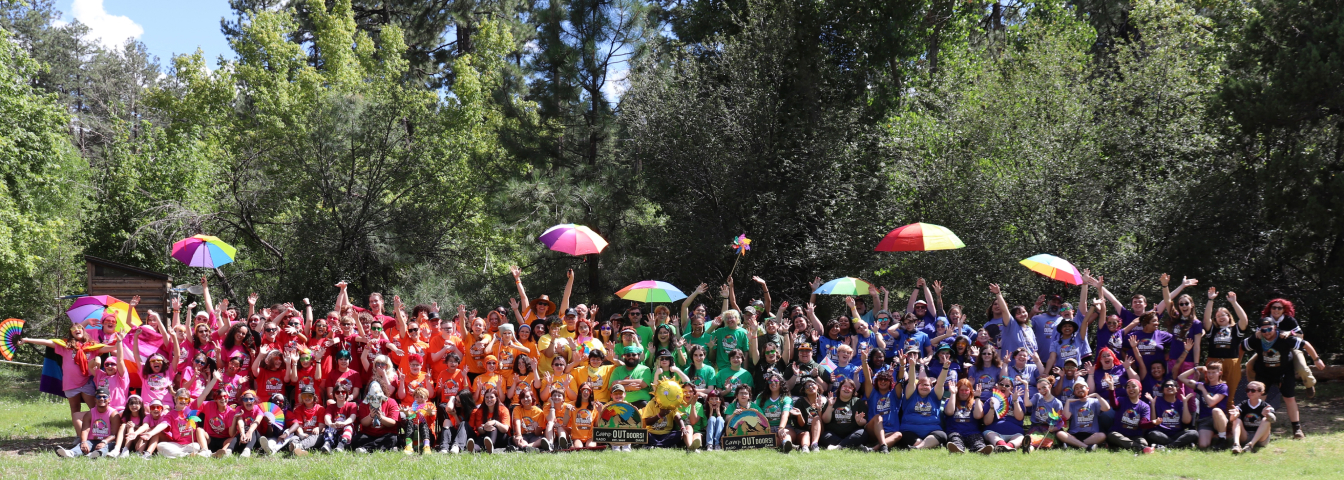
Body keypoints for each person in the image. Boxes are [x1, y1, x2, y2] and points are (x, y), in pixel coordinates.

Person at [20, 323, 116, 433]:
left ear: (84, 331)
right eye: (73, 329)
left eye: (79, 328)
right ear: (71, 333)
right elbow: (48, 342)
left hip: (87, 383)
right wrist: (27, 339)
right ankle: (80, 435)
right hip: (70, 383)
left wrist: (121, 340)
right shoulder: (66, 346)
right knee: (75, 410)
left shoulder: (92, 346)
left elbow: (112, 348)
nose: (76, 330)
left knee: (95, 409)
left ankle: (100, 431)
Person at [1242, 318, 1323, 439]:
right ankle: (1256, 429)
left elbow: (1305, 344)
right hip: (1264, 373)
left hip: (1284, 371)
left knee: (1289, 398)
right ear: (1259, 330)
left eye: (1270, 329)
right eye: (1264, 330)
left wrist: (1317, 359)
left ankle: (1297, 429)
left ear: (1275, 328)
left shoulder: (1284, 337)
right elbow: (1241, 346)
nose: (1267, 332)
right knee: (1258, 398)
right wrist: (1237, 361)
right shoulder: (1256, 338)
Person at [1205, 289, 1249, 398]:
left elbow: (1244, 320)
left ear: (1229, 316)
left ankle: (1228, 414)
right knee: (1211, 391)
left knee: (1230, 394)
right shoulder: (1213, 329)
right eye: (1218, 316)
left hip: (1232, 363)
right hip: (1213, 362)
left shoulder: (1235, 329)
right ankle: (1210, 414)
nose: (1220, 317)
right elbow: (1206, 320)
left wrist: (1234, 302)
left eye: (1223, 315)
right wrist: (1210, 300)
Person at [55, 387, 118, 458]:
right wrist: (84, 442)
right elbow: (85, 430)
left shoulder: (113, 414)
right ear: (95, 399)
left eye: (104, 396)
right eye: (98, 397)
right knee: (82, 445)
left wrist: (104, 442)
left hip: (107, 441)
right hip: (92, 440)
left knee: (107, 447)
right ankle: (70, 453)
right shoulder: (90, 413)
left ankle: (97, 454)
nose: (101, 399)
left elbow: (114, 435)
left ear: (109, 399)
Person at [1178, 363, 1230, 449]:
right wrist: (1196, 368)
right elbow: (1181, 377)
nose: (1210, 375)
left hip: (1218, 419)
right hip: (1204, 420)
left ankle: (1222, 439)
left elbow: (1211, 403)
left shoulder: (1223, 387)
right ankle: (1214, 437)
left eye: (1213, 372)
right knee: (1203, 445)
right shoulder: (1202, 385)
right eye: (1208, 372)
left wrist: (1203, 390)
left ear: (1220, 373)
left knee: (1215, 410)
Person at [862, 355, 901, 453]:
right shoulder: (872, 393)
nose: (882, 382)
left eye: (885, 380)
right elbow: (867, 377)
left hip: (890, 431)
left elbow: (900, 381)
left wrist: (903, 365)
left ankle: (874, 449)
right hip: (873, 430)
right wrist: (864, 360)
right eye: (880, 379)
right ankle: (883, 446)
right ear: (876, 381)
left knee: (899, 435)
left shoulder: (894, 394)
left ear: (890, 382)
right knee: (878, 417)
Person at [1057, 381, 1110, 451]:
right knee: (1060, 433)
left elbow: (1107, 408)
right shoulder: (1072, 403)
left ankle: (1073, 445)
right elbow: (1066, 417)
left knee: (1102, 436)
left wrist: (1097, 395)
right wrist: (1068, 401)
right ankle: (1087, 447)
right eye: (1077, 388)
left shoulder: (1094, 401)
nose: (1079, 389)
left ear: (1088, 389)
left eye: (1082, 387)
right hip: (1074, 434)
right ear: (1075, 392)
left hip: (1091, 435)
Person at [1146, 379, 1199, 449]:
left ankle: (1167, 447)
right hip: (1162, 433)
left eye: (1172, 385)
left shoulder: (1180, 403)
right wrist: (1152, 404)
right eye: (1166, 386)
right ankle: (1180, 445)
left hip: (1177, 433)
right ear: (1163, 390)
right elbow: (1153, 421)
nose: (1169, 387)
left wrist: (1185, 403)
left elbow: (1186, 421)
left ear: (1176, 389)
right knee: (1152, 434)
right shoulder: (1157, 401)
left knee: (1194, 433)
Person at [350, 382, 401, 452]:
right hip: (368, 434)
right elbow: (363, 423)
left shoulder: (391, 402)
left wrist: (381, 417)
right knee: (356, 440)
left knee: (393, 439)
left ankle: (366, 449)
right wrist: (371, 416)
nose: (375, 399)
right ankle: (385, 448)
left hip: (386, 434)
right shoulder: (364, 404)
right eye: (373, 397)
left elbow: (393, 422)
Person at [820, 378, 869, 451]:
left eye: (850, 388)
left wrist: (859, 421)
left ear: (853, 391)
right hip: (834, 434)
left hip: (852, 433)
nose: (847, 389)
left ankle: (838, 447)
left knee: (862, 433)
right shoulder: (832, 401)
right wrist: (830, 406)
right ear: (839, 388)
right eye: (845, 386)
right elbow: (825, 420)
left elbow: (864, 422)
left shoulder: (858, 402)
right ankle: (851, 444)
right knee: (825, 436)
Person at [1106, 379, 1154, 454]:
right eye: (1128, 387)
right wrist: (1111, 388)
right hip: (1119, 434)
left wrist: (1153, 423)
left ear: (1140, 389)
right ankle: (1141, 448)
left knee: (1143, 442)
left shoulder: (1145, 406)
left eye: (1134, 386)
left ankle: (1121, 446)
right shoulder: (1121, 400)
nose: (1131, 389)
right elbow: (1114, 404)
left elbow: (1142, 424)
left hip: (1135, 436)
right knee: (1112, 435)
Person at [944, 378, 989, 454]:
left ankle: (981, 449)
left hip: (972, 432)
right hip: (954, 431)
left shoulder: (976, 402)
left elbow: (978, 416)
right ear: (957, 390)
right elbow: (949, 412)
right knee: (955, 440)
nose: (964, 392)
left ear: (970, 391)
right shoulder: (950, 400)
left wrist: (977, 397)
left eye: (966, 390)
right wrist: (953, 394)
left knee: (977, 441)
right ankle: (957, 449)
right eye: (961, 390)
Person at [982, 377, 1027, 453]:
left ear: (1011, 389)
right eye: (1001, 384)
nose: (1003, 387)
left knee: (1020, 438)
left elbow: (1019, 417)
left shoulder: (1017, 399)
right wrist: (992, 408)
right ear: (997, 386)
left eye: (1007, 385)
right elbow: (987, 422)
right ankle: (1002, 445)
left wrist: (1015, 401)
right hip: (994, 431)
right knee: (990, 435)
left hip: (1015, 433)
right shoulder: (990, 400)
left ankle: (1007, 447)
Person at [1229, 381, 1276, 454]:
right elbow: (1231, 419)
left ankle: (1250, 445)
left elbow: (1273, 420)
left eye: (1253, 390)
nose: (1250, 392)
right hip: (1246, 436)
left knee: (1266, 420)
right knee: (1236, 420)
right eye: (1248, 390)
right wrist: (1234, 415)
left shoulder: (1266, 406)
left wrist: (1267, 415)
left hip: (1261, 438)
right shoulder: (1243, 404)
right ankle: (1236, 445)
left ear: (1261, 392)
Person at [1024, 376, 1062, 451]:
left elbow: (1060, 422)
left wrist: (1053, 428)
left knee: (1045, 439)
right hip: (1036, 426)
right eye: (1039, 389)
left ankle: (1030, 448)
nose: (1042, 391)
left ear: (1050, 386)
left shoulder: (1057, 403)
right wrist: (1026, 386)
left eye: (1044, 387)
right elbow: (1027, 403)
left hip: (1048, 428)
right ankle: (1029, 448)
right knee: (1033, 437)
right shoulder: (1037, 397)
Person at [468, 387, 510, 453]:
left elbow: (505, 429)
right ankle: (473, 449)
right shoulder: (480, 411)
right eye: (487, 397)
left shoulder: (503, 410)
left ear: (496, 398)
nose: (489, 399)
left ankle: (490, 446)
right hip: (485, 436)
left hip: (501, 438)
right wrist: (485, 428)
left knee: (493, 427)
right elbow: (479, 429)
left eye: (491, 397)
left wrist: (495, 422)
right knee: (482, 440)